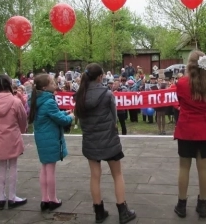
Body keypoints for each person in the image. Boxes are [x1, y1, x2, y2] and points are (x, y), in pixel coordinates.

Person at [75, 63, 136, 224]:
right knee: (117, 175)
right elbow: (114, 119)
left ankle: (99, 212)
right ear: (101, 77)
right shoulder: (107, 94)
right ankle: (123, 211)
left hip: (90, 141)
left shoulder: (80, 95)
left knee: (95, 176)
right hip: (109, 140)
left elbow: (80, 121)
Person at [173, 51, 206, 219]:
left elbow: (180, 102)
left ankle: (182, 204)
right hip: (205, 130)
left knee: (184, 167)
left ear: (189, 64)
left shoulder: (182, 83)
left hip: (186, 129)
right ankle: (202, 205)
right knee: (204, 169)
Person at [28, 74, 74, 212]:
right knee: (51, 170)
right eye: (52, 82)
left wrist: (64, 113)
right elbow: (61, 120)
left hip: (41, 137)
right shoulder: (48, 102)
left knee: (44, 168)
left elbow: (53, 116)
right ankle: (53, 199)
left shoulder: (37, 100)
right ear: (44, 87)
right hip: (51, 138)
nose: (55, 84)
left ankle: (44, 199)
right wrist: (71, 116)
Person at [0, 75, 28, 209]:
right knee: (13, 166)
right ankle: (12, 197)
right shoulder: (15, 102)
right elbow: (22, 119)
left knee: (1, 167)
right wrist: (21, 130)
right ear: (9, 84)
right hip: (13, 136)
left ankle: (1, 197)